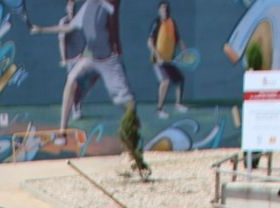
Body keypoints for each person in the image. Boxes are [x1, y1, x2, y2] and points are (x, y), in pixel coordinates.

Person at [32, 0, 135, 132]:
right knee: (71, 81)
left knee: (125, 101)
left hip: (109, 60)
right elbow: (68, 27)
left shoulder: (109, 5)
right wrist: (41, 29)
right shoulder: (86, 7)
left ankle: (133, 128)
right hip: (90, 57)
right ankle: (62, 131)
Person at [148, 2, 187, 118]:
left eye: (166, 9)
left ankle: (178, 104)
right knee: (165, 81)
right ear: (159, 11)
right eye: (162, 9)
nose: (164, 11)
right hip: (158, 61)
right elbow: (149, 42)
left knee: (180, 80)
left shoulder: (172, 23)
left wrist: (184, 51)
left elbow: (178, 39)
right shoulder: (156, 23)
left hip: (169, 61)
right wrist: (157, 55)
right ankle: (159, 109)